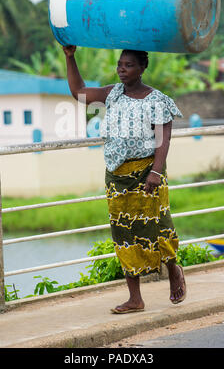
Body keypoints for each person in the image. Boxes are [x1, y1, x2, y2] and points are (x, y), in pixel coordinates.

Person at [62, 45, 186, 314]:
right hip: (117, 176)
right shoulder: (112, 93)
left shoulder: (157, 99)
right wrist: (70, 57)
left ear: (142, 68)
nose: (121, 69)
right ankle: (135, 298)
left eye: (129, 65)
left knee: (159, 226)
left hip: (147, 173)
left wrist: (156, 170)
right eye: (120, 64)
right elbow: (78, 92)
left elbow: (162, 139)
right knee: (125, 235)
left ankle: (173, 269)